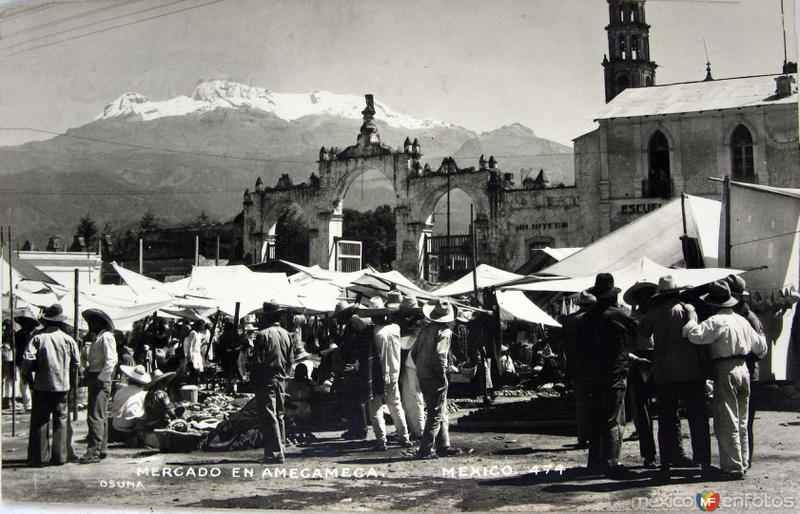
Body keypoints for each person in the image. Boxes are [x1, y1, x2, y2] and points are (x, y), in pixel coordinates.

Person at [683, 280, 767, 480]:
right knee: (742, 420)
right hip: (743, 368)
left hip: (725, 368)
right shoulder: (742, 321)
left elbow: (693, 335)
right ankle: (743, 461)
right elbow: (761, 348)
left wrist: (692, 317)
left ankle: (732, 467)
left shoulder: (715, 321)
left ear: (712, 303)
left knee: (727, 419)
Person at [637, 276, 711, 476]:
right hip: (690, 370)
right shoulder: (688, 309)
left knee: (667, 417)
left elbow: (642, 332)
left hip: (664, 372)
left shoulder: (654, 312)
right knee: (697, 416)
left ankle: (670, 457)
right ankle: (702, 459)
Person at [575, 273, 637, 479]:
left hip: (593, 374)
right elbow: (636, 332)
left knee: (596, 418)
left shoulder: (587, 318)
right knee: (612, 420)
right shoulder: (617, 315)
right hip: (614, 373)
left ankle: (594, 461)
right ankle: (612, 462)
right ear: (612, 295)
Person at [21, 304, 80, 467]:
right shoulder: (69, 339)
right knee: (61, 420)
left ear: (46, 321)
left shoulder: (37, 338)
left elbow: (28, 360)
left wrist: (27, 376)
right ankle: (60, 457)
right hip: (62, 386)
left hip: (42, 385)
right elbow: (76, 364)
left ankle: (39, 458)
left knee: (40, 420)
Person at [411, 299, 464, 459]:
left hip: (423, 373)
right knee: (435, 413)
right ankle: (425, 449)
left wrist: (422, 367)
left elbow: (414, 353)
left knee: (438, 410)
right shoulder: (444, 332)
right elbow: (441, 354)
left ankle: (443, 445)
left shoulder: (425, 330)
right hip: (434, 376)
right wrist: (442, 373)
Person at [725, 274, 763, 468]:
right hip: (743, 373)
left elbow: (760, 351)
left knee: (745, 421)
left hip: (748, 373)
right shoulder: (739, 317)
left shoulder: (749, 319)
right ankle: (741, 458)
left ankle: (745, 459)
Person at [366, 295, 412, 450]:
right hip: (394, 372)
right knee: (396, 405)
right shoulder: (396, 328)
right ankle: (404, 437)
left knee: (376, 407)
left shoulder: (375, 333)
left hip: (379, 374)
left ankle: (381, 440)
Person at [251, 304, 294, 464]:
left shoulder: (263, 335)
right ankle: (280, 448)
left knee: (269, 414)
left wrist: (254, 380)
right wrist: (285, 375)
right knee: (280, 414)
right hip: (281, 378)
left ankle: (276, 453)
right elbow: (290, 360)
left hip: (267, 378)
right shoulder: (287, 334)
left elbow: (258, 362)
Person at [622, 280, 658, 469]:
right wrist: (635, 359)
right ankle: (649, 454)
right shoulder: (631, 320)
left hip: (660, 362)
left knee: (668, 411)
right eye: (643, 297)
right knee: (642, 413)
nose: (647, 300)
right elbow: (625, 346)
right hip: (639, 365)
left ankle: (671, 453)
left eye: (649, 296)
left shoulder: (659, 315)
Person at [81, 309, 118, 464]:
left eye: (92, 322)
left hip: (100, 377)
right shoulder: (98, 338)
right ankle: (101, 448)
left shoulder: (106, 337)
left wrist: (102, 378)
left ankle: (94, 450)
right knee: (99, 414)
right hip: (95, 374)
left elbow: (111, 360)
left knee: (95, 415)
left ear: (100, 323)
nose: (89, 325)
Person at [561, 290, 597, 448]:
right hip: (594, 366)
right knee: (596, 401)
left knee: (581, 403)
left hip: (577, 365)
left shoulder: (570, 320)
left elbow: (565, 346)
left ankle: (583, 437)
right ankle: (595, 436)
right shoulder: (595, 320)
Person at [333, 300, 370, 440]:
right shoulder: (357, 321)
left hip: (356, 365)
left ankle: (360, 429)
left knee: (355, 399)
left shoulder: (352, 324)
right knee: (355, 399)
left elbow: (351, 347)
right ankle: (357, 428)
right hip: (359, 364)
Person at [398, 295, 425, 440]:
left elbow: (406, 345)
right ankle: (414, 428)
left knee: (413, 396)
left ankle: (419, 430)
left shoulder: (416, 325)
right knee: (410, 396)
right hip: (412, 363)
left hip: (411, 363)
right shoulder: (418, 323)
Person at [109, 364, 151, 445]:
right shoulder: (144, 393)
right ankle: (138, 438)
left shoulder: (119, 391)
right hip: (130, 426)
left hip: (116, 424)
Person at [182, 320, 205, 385]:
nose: (203, 327)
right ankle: (191, 385)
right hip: (193, 356)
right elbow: (189, 345)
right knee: (194, 372)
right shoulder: (193, 333)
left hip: (197, 356)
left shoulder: (199, 334)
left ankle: (195, 385)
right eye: (202, 325)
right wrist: (189, 356)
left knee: (198, 373)